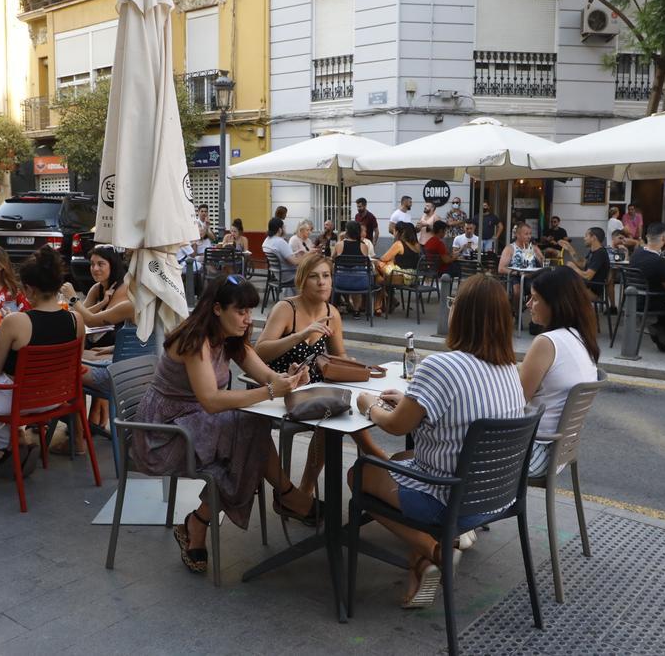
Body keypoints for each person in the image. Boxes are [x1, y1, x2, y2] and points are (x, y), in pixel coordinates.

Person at [349, 274, 526, 608]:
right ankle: (420, 564)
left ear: (463, 315)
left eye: (454, 302)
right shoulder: (509, 370)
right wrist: (410, 399)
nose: (450, 307)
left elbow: (395, 425)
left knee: (358, 474)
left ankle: (435, 551)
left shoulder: (441, 366)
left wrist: (368, 404)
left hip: (449, 500)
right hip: (495, 497)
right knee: (401, 459)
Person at [133, 274, 317, 574]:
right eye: (241, 311)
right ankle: (286, 496)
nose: (248, 319)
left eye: (249, 311)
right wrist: (272, 391)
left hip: (198, 423)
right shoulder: (194, 340)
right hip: (165, 433)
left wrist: (290, 378)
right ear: (217, 309)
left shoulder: (231, 338)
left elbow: (266, 376)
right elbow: (211, 400)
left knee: (249, 432)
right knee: (247, 437)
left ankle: (200, 521)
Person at [255, 254, 388, 495]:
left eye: (326, 276)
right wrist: (299, 335)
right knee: (331, 418)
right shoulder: (286, 309)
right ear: (302, 280)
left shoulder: (331, 312)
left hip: (313, 388)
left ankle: (308, 489)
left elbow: (339, 354)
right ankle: (381, 461)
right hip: (280, 390)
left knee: (347, 409)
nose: (322, 282)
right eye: (314, 277)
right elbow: (260, 352)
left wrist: (349, 363)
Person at [0, 247, 85, 476]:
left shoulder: (16, 322)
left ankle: (9, 446)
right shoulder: (77, 319)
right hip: (56, 399)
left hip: (20, 401)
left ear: (29, 289)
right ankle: (15, 442)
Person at [520, 267, 600, 478]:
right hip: (560, 451)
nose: (528, 304)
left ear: (556, 304)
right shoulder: (580, 337)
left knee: (456, 449)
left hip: (536, 452)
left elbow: (514, 401)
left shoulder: (547, 342)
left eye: (535, 299)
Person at [628, 223, 665, 351]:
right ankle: (660, 329)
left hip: (634, 298)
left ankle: (661, 333)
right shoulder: (659, 261)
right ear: (664, 239)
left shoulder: (636, 253)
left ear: (647, 237)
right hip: (650, 301)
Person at [375, 222, 422, 313]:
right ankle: (384, 303)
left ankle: (381, 303)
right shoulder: (417, 245)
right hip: (413, 277)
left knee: (377, 264)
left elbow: (384, 258)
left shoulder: (399, 244)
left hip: (401, 276)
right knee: (381, 278)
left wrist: (385, 261)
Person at [332, 221, 375, 316]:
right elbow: (364, 263)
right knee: (357, 274)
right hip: (360, 283)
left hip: (341, 282)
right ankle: (356, 310)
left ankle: (336, 306)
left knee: (338, 273)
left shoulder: (339, 245)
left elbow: (333, 258)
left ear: (347, 231)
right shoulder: (363, 246)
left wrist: (340, 239)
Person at [562, 227, 609, 301]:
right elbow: (582, 264)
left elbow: (587, 276)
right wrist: (570, 249)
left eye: (586, 235)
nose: (584, 238)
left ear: (593, 238)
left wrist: (573, 267)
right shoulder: (593, 252)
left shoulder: (600, 253)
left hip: (591, 291)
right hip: (585, 287)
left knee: (560, 289)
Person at [262, 217, 302, 286]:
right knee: (312, 273)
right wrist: (307, 256)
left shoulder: (267, 241)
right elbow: (295, 262)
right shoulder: (280, 242)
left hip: (278, 275)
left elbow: (281, 255)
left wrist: (295, 253)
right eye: (284, 227)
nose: (285, 228)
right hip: (289, 275)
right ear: (280, 230)